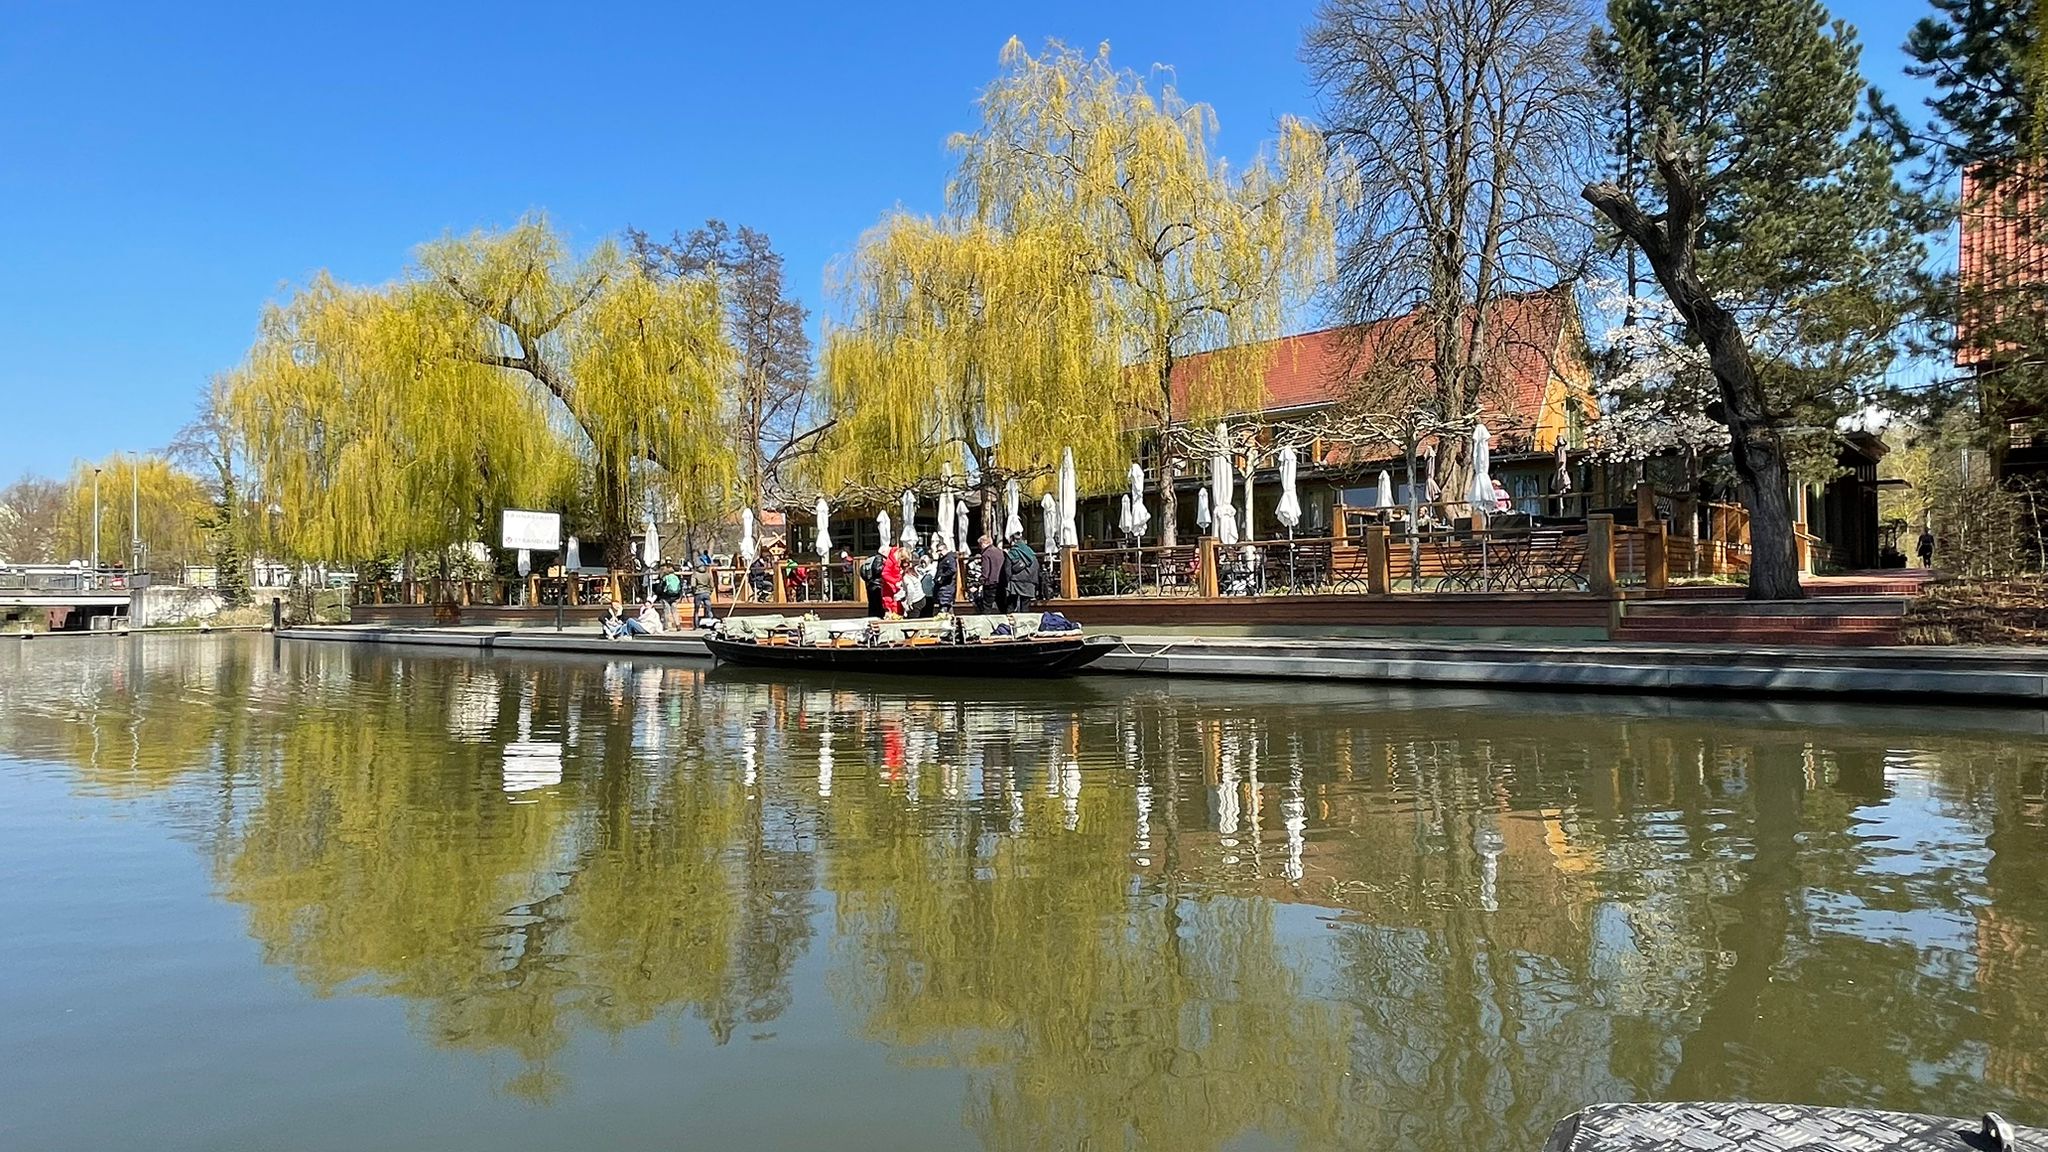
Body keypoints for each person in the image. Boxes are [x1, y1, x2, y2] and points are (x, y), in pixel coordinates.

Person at [1003, 532, 1040, 613]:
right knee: (1025, 606)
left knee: (1011, 605)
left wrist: (1008, 582)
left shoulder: (1012, 553)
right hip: (1029, 583)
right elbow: (1036, 568)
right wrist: (1035, 583)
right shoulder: (1032, 554)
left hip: (1015, 582)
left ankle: (1010, 620)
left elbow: (1007, 570)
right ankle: (1024, 620)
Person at [977, 534, 1007, 614]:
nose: (979, 547)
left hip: (990, 583)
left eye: (980, 545)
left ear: (983, 543)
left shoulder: (986, 554)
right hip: (1001, 581)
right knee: (1002, 605)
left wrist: (982, 580)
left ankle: (986, 620)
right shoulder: (1000, 552)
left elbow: (986, 570)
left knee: (987, 606)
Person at [654, 562, 684, 628]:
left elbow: (660, 588)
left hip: (666, 597)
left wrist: (659, 595)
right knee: (674, 611)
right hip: (675, 596)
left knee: (666, 611)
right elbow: (680, 587)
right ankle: (678, 624)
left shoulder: (665, 578)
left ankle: (666, 626)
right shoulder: (676, 577)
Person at [933, 539, 957, 615]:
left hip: (947, 585)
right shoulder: (942, 559)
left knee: (944, 605)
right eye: (938, 551)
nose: (939, 552)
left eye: (940, 550)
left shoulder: (949, 558)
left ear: (945, 549)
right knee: (948, 605)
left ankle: (945, 618)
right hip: (943, 585)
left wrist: (942, 577)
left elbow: (953, 570)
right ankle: (951, 618)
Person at [860, 548, 886, 617]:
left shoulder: (870, 559)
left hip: (869, 583)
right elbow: (877, 570)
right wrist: (885, 568)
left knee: (872, 604)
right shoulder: (879, 558)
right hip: (877, 585)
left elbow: (862, 571)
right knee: (878, 604)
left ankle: (872, 617)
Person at [687, 562, 713, 628]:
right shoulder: (708, 574)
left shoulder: (695, 575)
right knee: (709, 609)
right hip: (707, 593)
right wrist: (710, 591)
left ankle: (696, 625)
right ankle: (711, 623)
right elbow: (712, 585)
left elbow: (693, 585)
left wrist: (694, 592)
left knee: (696, 610)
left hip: (698, 593)